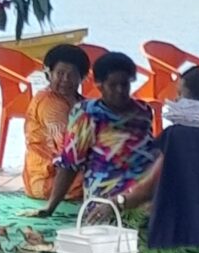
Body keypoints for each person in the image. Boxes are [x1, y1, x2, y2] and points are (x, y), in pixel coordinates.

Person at [33, 51, 161, 216]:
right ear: (99, 85)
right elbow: (70, 164)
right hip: (108, 196)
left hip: (145, 190)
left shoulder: (143, 111)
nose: (120, 90)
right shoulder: (87, 114)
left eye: (124, 84)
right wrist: (50, 206)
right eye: (112, 85)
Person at [22, 44, 89, 202]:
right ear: (49, 74)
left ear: (82, 77)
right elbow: (68, 147)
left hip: (69, 173)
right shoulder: (49, 104)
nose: (65, 79)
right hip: (47, 179)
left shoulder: (80, 102)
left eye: (72, 75)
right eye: (60, 73)